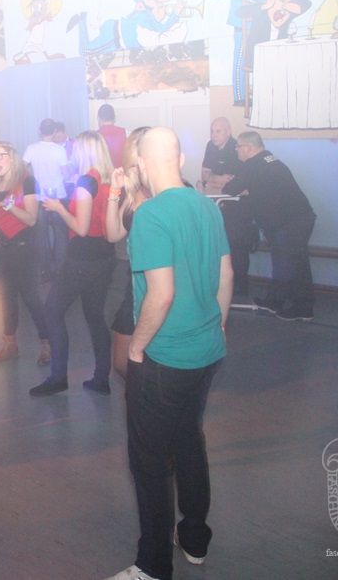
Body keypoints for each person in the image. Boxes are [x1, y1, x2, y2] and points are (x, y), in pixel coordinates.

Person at [106, 127, 232, 580]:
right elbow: (226, 274)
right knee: (189, 441)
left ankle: (153, 565)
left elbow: (160, 295)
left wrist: (137, 348)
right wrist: (217, 326)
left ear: (140, 165)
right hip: (206, 352)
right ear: (179, 160)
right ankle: (194, 538)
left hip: (164, 358)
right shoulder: (207, 205)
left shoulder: (152, 215)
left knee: (150, 463)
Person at [30, 131, 116, 396]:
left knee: (52, 311)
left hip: (82, 258)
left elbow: (81, 228)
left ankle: (58, 377)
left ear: (83, 151)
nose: (71, 152)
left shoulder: (86, 182)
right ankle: (101, 378)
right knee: (95, 317)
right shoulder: (105, 179)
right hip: (104, 255)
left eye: (75, 149)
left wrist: (59, 208)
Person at [224, 131, 316, 320]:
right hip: (297, 218)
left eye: (238, 146)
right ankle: (275, 300)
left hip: (289, 222)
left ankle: (303, 309)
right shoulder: (271, 160)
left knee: (294, 265)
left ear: (249, 148)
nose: (236, 150)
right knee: (284, 262)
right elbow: (265, 188)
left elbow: (230, 189)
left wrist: (238, 186)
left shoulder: (252, 165)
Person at [0, 142, 51, 366]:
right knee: (7, 297)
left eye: (1, 156)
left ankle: (47, 342)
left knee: (30, 297)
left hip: (24, 248)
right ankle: (10, 343)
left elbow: (31, 219)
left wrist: (10, 206)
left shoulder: (27, 181)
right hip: (2, 248)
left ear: (12, 157)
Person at [105, 127, 150, 382]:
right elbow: (113, 234)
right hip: (134, 282)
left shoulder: (169, 192)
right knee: (122, 363)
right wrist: (115, 191)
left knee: (146, 358)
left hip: (159, 281)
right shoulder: (134, 194)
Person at [201, 117, 256, 298]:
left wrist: (214, 179)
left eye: (218, 131)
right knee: (218, 244)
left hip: (238, 207)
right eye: (212, 131)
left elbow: (233, 183)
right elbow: (204, 176)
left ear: (228, 131)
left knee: (237, 246)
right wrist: (216, 179)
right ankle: (221, 284)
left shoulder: (236, 148)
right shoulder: (210, 146)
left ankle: (240, 287)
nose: (214, 135)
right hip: (217, 205)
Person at [23, 118, 69, 280]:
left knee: (41, 235)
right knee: (60, 234)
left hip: (40, 197)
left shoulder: (31, 148)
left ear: (39, 131)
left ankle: (45, 270)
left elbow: (21, 168)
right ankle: (60, 270)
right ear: (55, 131)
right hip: (58, 196)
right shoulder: (59, 150)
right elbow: (65, 174)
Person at [97, 104, 127, 175]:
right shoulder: (125, 132)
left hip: (103, 176)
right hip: (121, 175)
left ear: (99, 118)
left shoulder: (94, 136)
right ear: (114, 118)